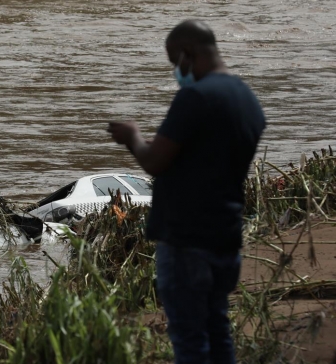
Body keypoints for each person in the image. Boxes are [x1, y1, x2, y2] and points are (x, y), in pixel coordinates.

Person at [107, 20, 265, 364]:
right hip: (225, 236)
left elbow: (156, 161)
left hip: (186, 240)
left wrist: (132, 136)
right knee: (217, 329)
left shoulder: (195, 96)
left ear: (187, 54)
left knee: (190, 339)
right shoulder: (247, 99)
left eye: (173, 62)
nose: (175, 71)